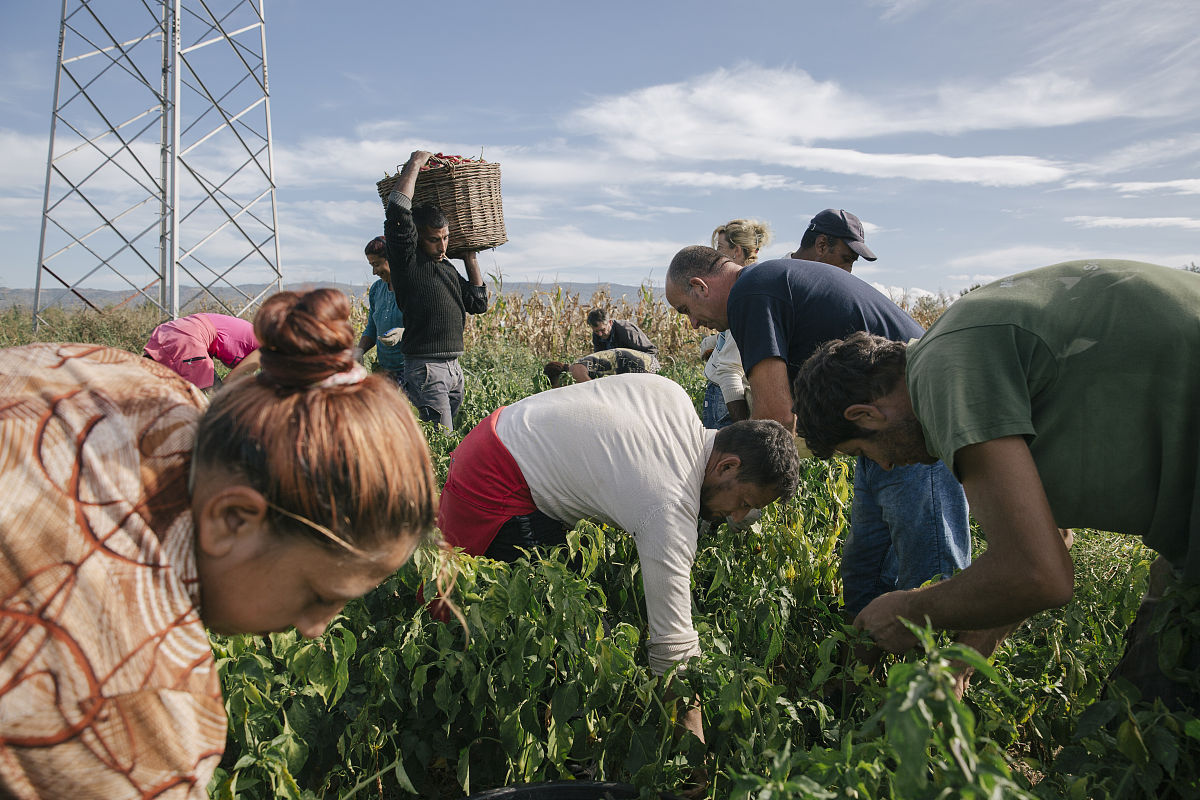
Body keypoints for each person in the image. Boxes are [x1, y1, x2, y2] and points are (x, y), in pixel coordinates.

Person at [0, 288, 437, 798]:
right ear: (231, 519)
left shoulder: (145, 386)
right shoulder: (137, 713)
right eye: (319, 594)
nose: (316, 630)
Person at [791, 259, 1200, 708]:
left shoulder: (944, 373)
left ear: (866, 416)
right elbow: (1051, 544)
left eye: (863, 454)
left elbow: (1039, 574)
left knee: (1148, 733)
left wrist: (909, 610)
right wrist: (962, 662)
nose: (884, 468)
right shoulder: (963, 352)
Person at [437, 373, 800, 740]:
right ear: (727, 466)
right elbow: (673, 648)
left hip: (504, 429)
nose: (738, 517)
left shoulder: (672, 397)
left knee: (567, 606)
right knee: (579, 638)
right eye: (743, 503)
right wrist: (691, 749)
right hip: (498, 477)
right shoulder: (668, 507)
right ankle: (554, 735)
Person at [665, 245, 971, 621]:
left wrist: (742, 497)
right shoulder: (767, 284)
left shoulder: (752, 292)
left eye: (685, 310)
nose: (693, 324)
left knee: (930, 567)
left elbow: (775, 417)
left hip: (913, 427)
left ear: (699, 286)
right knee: (866, 569)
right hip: (874, 435)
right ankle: (860, 671)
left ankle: (944, 675)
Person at [383, 150, 489, 428]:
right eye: (433, 240)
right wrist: (416, 163)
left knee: (449, 438)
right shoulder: (409, 262)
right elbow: (397, 210)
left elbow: (478, 304)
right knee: (441, 438)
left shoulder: (446, 268)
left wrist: (470, 257)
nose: (442, 246)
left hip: (453, 366)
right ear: (418, 238)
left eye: (446, 238)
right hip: (426, 368)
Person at [702, 219, 770, 428]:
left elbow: (730, 369)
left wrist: (743, 428)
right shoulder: (751, 284)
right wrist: (711, 343)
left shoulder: (746, 294)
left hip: (726, 396)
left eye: (720, 248)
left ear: (737, 252)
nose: (716, 255)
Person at [143, 312, 262, 391]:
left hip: (170, 332)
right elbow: (232, 379)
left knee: (144, 386)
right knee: (214, 399)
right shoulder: (271, 348)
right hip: (190, 336)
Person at [358, 235, 406, 384]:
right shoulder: (377, 289)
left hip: (412, 370)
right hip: (386, 371)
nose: (374, 271)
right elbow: (372, 328)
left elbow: (428, 325)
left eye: (377, 264)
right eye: (371, 265)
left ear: (391, 258)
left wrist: (404, 332)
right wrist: (359, 350)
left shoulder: (411, 286)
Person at [789, 208, 877, 274]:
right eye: (846, 260)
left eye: (851, 264)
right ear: (821, 245)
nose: (848, 272)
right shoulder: (775, 284)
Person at [587, 308, 659, 372]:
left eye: (603, 330)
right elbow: (599, 356)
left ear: (610, 322)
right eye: (596, 331)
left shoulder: (625, 330)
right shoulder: (597, 335)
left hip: (647, 361)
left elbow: (650, 351)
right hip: (620, 364)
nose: (600, 334)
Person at [543, 347, 658, 387]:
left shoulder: (576, 373)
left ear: (558, 377)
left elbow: (594, 393)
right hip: (646, 361)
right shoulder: (576, 367)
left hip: (645, 365)